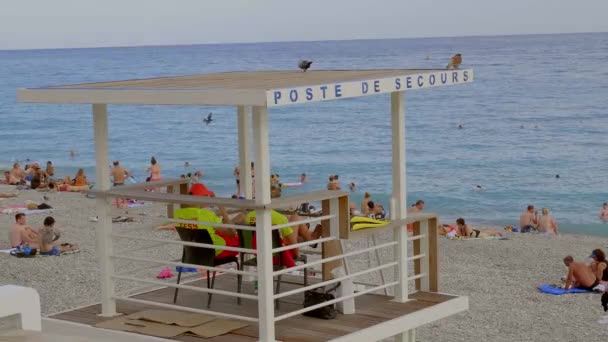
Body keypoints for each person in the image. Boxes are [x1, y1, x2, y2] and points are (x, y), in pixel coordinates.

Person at [173, 183, 239, 258]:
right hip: (213, 252)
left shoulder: (178, 213)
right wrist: (223, 209)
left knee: (217, 232)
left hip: (192, 252)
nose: (208, 199)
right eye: (206, 196)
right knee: (236, 239)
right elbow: (232, 233)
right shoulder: (206, 214)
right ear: (201, 198)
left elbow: (196, 222)